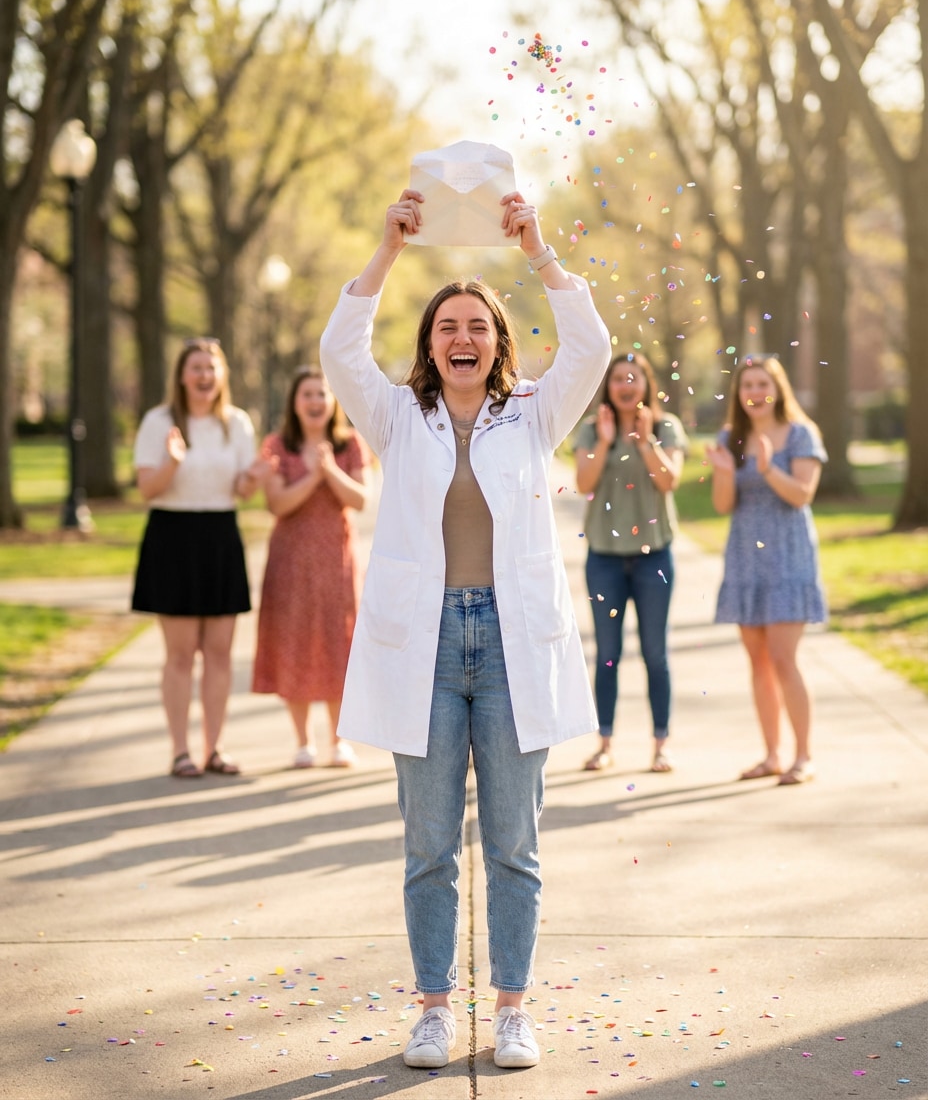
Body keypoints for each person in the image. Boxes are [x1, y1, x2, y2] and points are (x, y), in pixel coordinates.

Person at [319, 187, 610, 1071]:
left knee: (515, 844)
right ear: (430, 343)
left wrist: (536, 251)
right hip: (431, 648)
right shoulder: (394, 417)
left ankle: (514, 1009)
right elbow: (339, 347)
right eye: (447, 326)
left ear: (498, 343)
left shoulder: (535, 412)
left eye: (477, 326)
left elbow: (591, 344)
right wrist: (389, 250)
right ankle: (436, 1010)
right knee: (429, 845)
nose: (462, 338)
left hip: (517, 645)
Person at [131, 337, 267, 778]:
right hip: (173, 537)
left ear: (222, 375)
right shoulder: (159, 421)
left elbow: (242, 491)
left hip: (220, 536)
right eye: (196, 368)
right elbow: (147, 488)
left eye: (211, 368)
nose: (205, 376)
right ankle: (180, 750)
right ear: (182, 375)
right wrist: (172, 462)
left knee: (221, 653)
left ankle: (215, 748)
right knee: (180, 654)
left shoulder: (238, 424)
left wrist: (255, 478)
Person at [706, 354, 828, 786]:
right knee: (757, 660)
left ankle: (803, 756)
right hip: (745, 558)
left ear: (777, 389)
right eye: (747, 386)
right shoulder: (730, 437)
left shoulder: (800, 433)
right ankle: (772, 755)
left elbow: (802, 494)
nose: (755, 393)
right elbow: (723, 505)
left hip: (788, 555)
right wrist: (725, 472)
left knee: (782, 657)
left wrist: (765, 468)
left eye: (762, 384)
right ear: (738, 395)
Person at [574, 352, 687, 774]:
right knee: (607, 653)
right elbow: (584, 483)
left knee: (655, 654)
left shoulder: (664, 426)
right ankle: (605, 743)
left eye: (633, 378)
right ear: (609, 386)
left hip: (653, 558)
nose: (625, 385)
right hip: (603, 558)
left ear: (645, 384)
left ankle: (661, 745)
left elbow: (669, 481)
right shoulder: (590, 430)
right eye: (618, 378)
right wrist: (605, 441)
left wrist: (646, 442)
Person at [252, 365, 369, 768]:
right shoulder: (276, 446)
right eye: (307, 395)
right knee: (294, 643)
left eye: (322, 394)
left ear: (333, 401)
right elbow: (277, 504)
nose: (315, 401)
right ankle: (303, 741)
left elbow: (360, 499)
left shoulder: (350, 443)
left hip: (336, 558)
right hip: (290, 560)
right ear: (295, 403)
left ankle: (339, 742)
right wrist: (312, 475)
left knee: (340, 642)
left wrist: (330, 470)